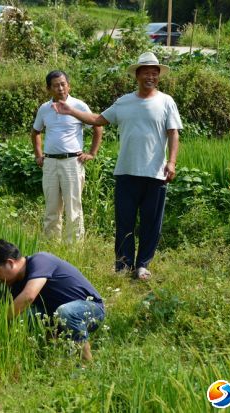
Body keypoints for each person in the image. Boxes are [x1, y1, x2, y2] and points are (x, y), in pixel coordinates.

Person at [52, 52, 182, 280]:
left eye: (155, 72)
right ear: (137, 75)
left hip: (155, 173)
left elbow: (173, 133)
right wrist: (71, 110)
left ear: (158, 76)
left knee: (151, 224)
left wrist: (171, 162)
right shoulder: (124, 102)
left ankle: (142, 265)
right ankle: (123, 265)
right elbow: (97, 120)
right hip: (126, 173)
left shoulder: (166, 101)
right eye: (146, 72)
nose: (151, 76)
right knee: (125, 222)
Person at [0, 239, 105, 361]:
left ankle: (85, 363)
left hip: (91, 309)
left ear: (10, 263)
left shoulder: (40, 260)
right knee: (25, 316)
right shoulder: (15, 284)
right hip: (58, 315)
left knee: (66, 311)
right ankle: (46, 357)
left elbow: (29, 296)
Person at [31, 70, 103, 242]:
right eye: (56, 85)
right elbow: (35, 132)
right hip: (50, 163)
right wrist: (38, 155)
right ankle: (51, 244)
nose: (61, 88)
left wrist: (91, 153)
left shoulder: (79, 105)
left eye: (63, 84)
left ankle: (74, 247)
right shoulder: (44, 108)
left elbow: (97, 126)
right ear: (49, 89)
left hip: (72, 162)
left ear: (69, 85)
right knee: (51, 208)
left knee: (73, 207)